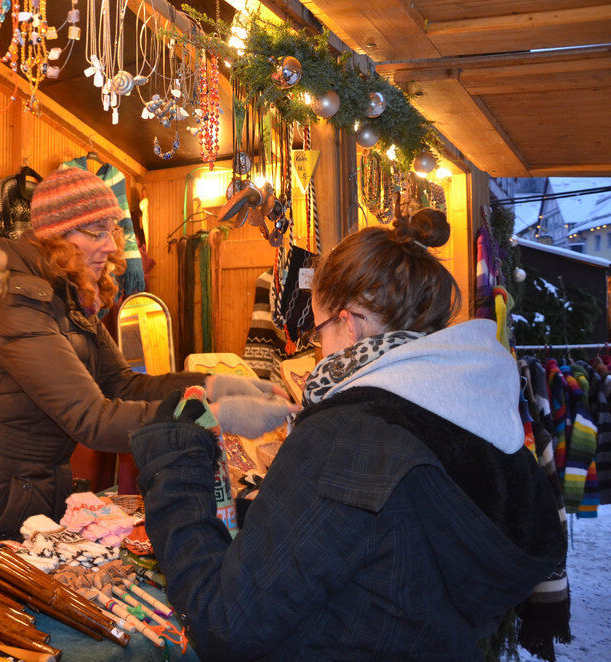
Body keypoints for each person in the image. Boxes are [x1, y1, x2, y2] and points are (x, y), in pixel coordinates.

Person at [130, 209, 567, 660]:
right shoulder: (469, 410)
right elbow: (389, 535)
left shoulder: (349, 433)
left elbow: (225, 623)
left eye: (318, 330)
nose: (318, 349)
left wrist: (176, 465)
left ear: (349, 322)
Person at [0, 167, 293, 544]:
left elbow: (125, 384)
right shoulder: (17, 302)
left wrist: (212, 386)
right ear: (55, 237)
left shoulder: (68, 294)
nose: (111, 245)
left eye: (112, 230)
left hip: (26, 489)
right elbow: (91, 418)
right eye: (97, 232)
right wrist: (213, 416)